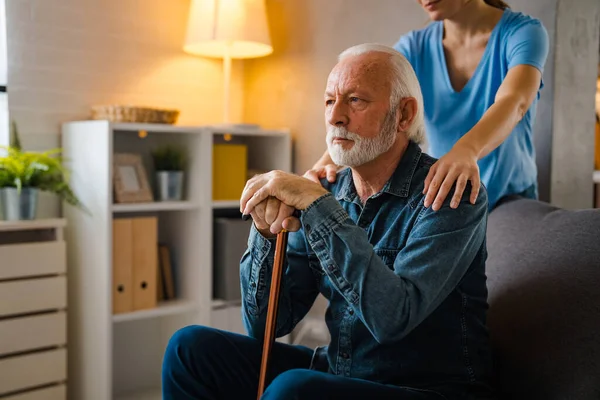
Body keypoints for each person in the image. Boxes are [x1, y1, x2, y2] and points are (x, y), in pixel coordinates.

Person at [162, 44, 495, 399]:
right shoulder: (328, 191)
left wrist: (318, 207)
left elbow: (393, 318)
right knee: (189, 348)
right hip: (342, 373)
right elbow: (263, 325)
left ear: (403, 115)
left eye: (355, 101)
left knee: (294, 389)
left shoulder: (451, 194)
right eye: (328, 101)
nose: (336, 116)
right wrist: (266, 231)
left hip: (424, 387)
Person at [308, 0, 549, 212]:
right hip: (446, 193)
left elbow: (515, 101)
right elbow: (373, 97)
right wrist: (327, 162)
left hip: (508, 198)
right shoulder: (414, 47)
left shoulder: (524, 32)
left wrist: (466, 150)